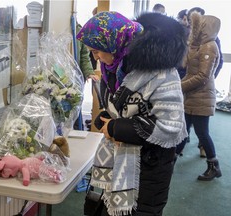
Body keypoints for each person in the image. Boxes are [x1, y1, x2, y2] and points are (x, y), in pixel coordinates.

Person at [77, 11, 188, 216]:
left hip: (150, 168)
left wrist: (115, 127)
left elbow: (171, 127)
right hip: (122, 160)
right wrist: (108, 119)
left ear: (113, 43)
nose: (95, 57)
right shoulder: (115, 67)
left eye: (97, 51)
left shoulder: (163, 72)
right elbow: (119, 107)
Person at [175, 11, 222, 181]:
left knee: (202, 133)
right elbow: (188, 67)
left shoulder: (210, 46)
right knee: (183, 129)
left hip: (201, 96)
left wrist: (178, 86)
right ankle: (170, 160)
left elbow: (203, 76)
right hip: (192, 95)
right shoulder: (201, 45)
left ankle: (213, 165)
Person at [73, 22, 100, 130]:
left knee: (77, 107)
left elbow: (84, 55)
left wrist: (89, 72)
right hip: (63, 78)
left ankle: (78, 129)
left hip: (77, 78)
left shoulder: (79, 31)